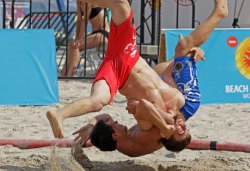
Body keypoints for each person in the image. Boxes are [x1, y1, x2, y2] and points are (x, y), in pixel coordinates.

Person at [47, 0, 227, 150]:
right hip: (129, 56)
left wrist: (93, 127)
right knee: (122, 5)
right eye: (185, 128)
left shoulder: (152, 124)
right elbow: (163, 72)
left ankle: (60, 114)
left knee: (98, 100)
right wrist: (186, 57)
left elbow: (139, 107)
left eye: (181, 130)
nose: (183, 127)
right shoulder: (176, 101)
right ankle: (219, 13)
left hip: (118, 70)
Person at [60, 1, 110, 77]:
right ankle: (63, 73)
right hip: (95, 33)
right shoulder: (79, 2)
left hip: (104, 33)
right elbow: (79, 20)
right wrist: (77, 38)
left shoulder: (88, 2)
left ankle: (70, 74)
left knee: (76, 45)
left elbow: (84, 21)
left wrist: (78, 40)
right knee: (71, 45)